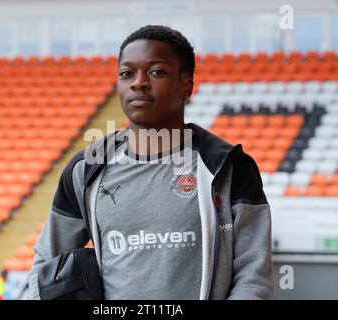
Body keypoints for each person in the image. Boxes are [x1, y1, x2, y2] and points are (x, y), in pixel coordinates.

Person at [28, 25, 274, 300]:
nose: (139, 82)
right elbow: (46, 267)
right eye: (127, 73)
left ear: (186, 85)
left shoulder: (227, 166)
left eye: (157, 72)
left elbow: (253, 278)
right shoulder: (86, 169)